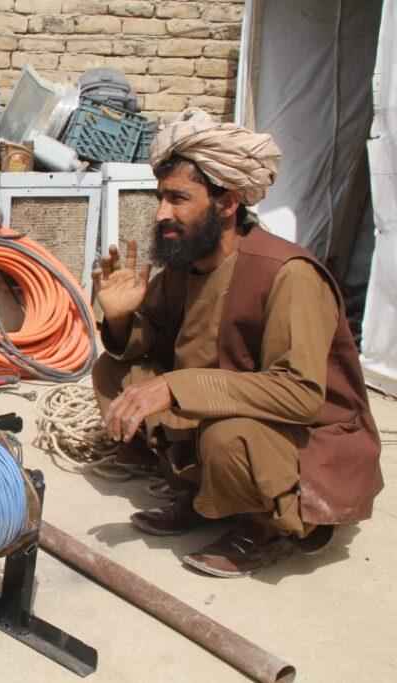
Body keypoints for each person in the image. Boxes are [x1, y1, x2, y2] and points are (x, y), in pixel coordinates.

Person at [91, 119, 383, 578]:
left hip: (306, 435)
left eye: (178, 199)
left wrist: (175, 387)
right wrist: (122, 316)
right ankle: (204, 494)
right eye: (161, 198)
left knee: (227, 437)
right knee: (113, 372)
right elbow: (152, 339)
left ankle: (268, 527)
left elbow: (302, 395)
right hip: (220, 405)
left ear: (226, 202)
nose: (161, 214)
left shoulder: (288, 274)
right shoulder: (188, 263)